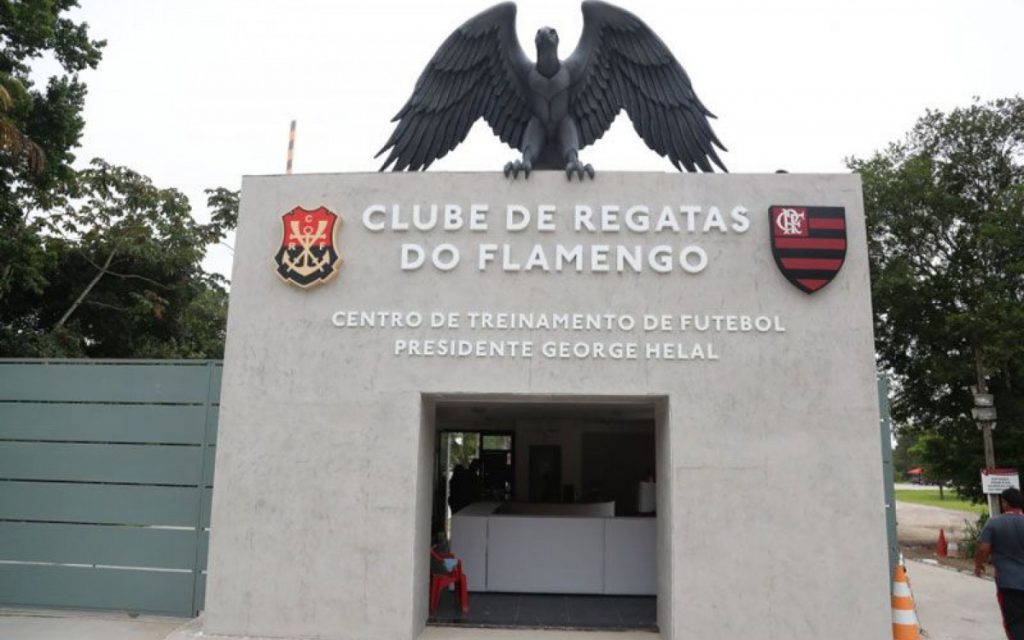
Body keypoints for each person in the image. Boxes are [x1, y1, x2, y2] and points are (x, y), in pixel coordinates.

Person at [976, 487, 1024, 639]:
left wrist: (979, 565)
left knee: (1014, 623)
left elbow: (983, 549)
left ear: (1005, 503)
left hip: (1008, 582)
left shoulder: (994, 523)